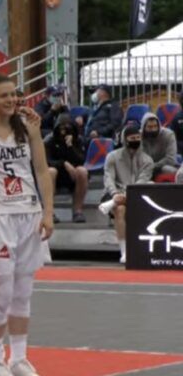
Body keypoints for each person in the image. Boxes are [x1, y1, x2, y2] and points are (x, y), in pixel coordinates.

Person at [0, 74, 54, 376]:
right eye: (4, 95)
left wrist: (48, 213)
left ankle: (18, 358)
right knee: (2, 289)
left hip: (28, 213)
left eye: (14, 94)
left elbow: (41, 171)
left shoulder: (27, 126)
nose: (11, 100)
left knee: (23, 291)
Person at [99, 125, 154, 263]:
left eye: (137, 138)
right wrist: (114, 194)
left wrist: (126, 194)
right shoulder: (112, 157)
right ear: (125, 139)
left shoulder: (148, 160)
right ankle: (124, 251)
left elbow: (142, 181)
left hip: (136, 193)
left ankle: (113, 203)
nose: (135, 140)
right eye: (132, 138)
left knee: (150, 185)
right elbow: (108, 178)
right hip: (114, 193)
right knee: (120, 209)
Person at [44, 114, 88, 223]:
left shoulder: (78, 140)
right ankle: (50, 212)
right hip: (56, 175)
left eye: (67, 127)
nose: (64, 130)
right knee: (50, 171)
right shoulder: (49, 140)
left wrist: (70, 147)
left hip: (72, 175)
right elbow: (47, 161)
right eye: (61, 127)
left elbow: (81, 160)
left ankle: (78, 211)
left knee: (82, 171)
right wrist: (63, 163)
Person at [139, 112, 178, 181]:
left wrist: (153, 166)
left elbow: (170, 159)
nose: (153, 129)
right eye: (150, 127)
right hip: (144, 168)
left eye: (155, 126)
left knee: (169, 170)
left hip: (163, 166)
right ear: (143, 127)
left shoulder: (169, 135)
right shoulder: (138, 136)